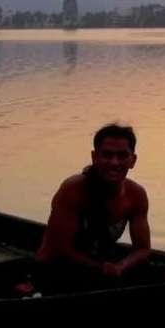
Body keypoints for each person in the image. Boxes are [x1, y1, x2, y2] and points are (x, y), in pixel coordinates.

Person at [34, 123, 152, 287]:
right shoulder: (73, 189)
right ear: (94, 157)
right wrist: (101, 268)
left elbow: (143, 249)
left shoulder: (137, 195)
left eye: (122, 155)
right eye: (107, 155)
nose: (114, 162)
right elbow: (59, 249)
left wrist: (121, 266)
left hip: (101, 267)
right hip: (57, 269)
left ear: (133, 160)